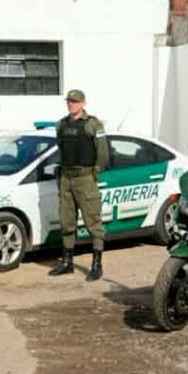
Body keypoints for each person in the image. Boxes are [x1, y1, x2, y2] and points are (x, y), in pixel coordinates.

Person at [49, 89, 109, 281]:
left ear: (83, 103)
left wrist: (95, 174)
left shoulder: (92, 124)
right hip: (67, 177)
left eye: (75, 102)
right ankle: (67, 263)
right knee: (67, 221)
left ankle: (96, 265)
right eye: (69, 101)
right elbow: (61, 147)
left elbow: (103, 153)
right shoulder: (61, 124)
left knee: (93, 222)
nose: (71, 105)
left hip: (85, 178)